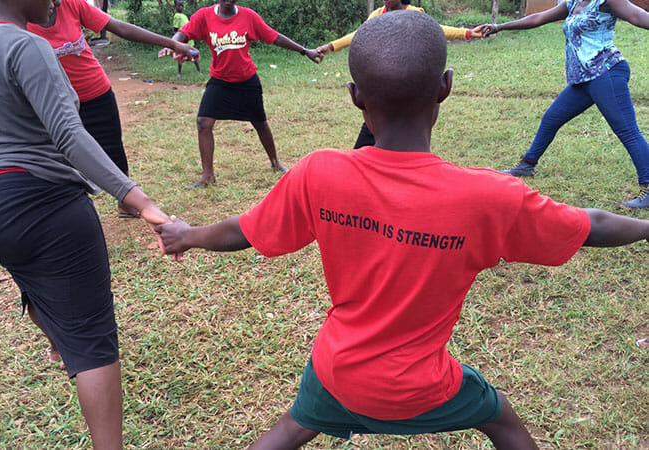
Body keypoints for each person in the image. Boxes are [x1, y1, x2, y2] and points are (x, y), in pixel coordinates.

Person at [155, 11, 649, 449]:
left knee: (290, 430)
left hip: (338, 372)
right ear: (446, 87)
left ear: (354, 97)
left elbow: (246, 230)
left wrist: (186, 234)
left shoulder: (320, 172)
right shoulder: (489, 197)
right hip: (424, 387)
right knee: (499, 418)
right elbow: (592, 226)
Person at [0, 0, 176, 448]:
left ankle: (60, 341)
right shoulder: (26, 46)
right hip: (43, 200)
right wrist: (142, 202)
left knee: (31, 278)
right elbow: (70, 135)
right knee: (93, 342)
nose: (57, 2)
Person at [27, 0, 198, 217]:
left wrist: (174, 44)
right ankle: (70, 211)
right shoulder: (21, 19)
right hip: (57, 103)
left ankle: (125, 202)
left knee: (113, 148)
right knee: (62, 158)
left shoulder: (72, 5)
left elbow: (120, 27)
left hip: (95, 92)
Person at [483, 0, 649, 208]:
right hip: (584, 78)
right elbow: (538, 18)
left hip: (607, 73)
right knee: (552, 118)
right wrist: (500, 27)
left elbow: (638, 16)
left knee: (627, 131)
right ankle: (527, 165)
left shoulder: (607, 1)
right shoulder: (573, 2)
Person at [160, 0, 322, 189]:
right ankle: (207, 175)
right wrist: (172, 44)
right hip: (220, 81)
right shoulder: (204, 16)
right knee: (203, 123)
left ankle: (275, 162)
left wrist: (304, 51)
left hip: (247, 80)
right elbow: (183, 32)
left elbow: (274, 37)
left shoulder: (248, 17)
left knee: (260, 123)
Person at [316, 0, 487, 149]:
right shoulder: (377, 15)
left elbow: (436, 29)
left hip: (408, 83)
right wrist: (331, 46)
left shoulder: (414, 14)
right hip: (384, 83)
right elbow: (359, 35)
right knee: (377, 127)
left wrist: (467, 33)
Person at [173, 0, 201, 78]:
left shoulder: (184, 16)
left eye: (182, 5)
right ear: (175, 7)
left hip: (189, 40)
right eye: (179, 6)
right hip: (182, 41)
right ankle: (179, 73)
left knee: (194, 56)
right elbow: (175, 29)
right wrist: (176, 41)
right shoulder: (177, 16)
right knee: (180, 57)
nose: (181, 7)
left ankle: (199, 71)